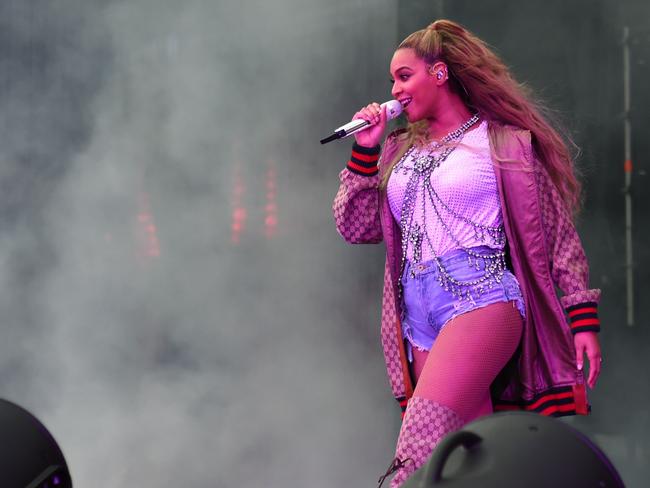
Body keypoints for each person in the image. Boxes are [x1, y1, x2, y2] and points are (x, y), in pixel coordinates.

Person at [332, 20, 602, 487]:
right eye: (392, 81)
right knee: (467, 462)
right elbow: (355, 228)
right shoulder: (398, 150)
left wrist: (582, 316)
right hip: (418, 315)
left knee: (420, 441)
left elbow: (555, 231)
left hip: (482, 295)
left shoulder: (504, 143)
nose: (393, 90)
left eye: (402, 76)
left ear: (439, 74)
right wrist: (364, 151)